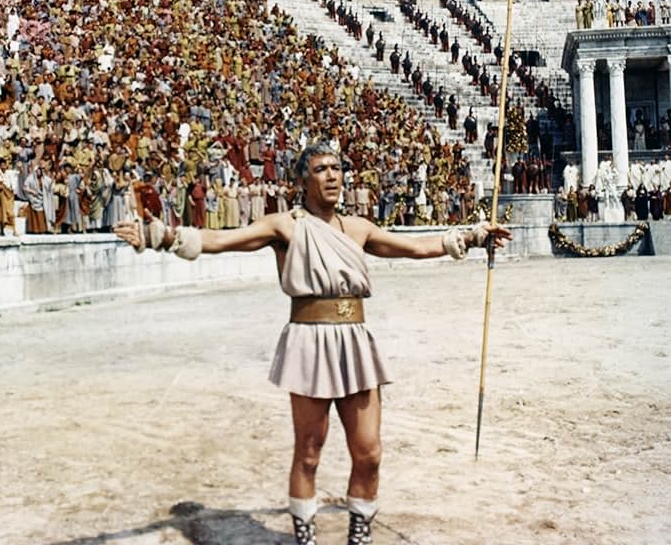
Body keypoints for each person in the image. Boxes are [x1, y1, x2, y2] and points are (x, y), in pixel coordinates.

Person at [113, 144, 511, 545]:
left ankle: (360, 535)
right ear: (303, 181)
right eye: (321, 169)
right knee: (309, 451)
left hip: (355, 341)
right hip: (309, 341)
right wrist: (159, 235)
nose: (333, 176)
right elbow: (222, 239)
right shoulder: (285, 225)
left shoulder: (358, 228)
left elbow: (417, 248)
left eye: (337, 168)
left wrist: (474, 235)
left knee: (369, 454)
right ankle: (306, 538)